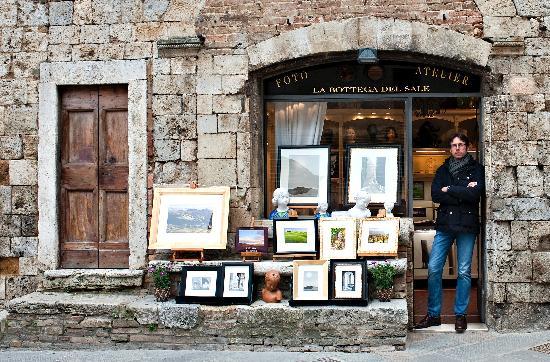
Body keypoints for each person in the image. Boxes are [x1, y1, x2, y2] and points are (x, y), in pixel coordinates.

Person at [414, 133, 484, 333]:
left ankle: (460, 315)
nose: (457, 148)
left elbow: (474, 195)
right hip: (445, 225)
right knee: (434, 268)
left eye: (461, 145)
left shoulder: (477, 169)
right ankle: (434, 315)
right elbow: (436, 195)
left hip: (467, 226)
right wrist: (461, 190)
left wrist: (450, 189)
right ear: (450, 148)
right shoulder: (443, 169)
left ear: (467, 147)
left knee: (463, 271)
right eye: (454, 145)